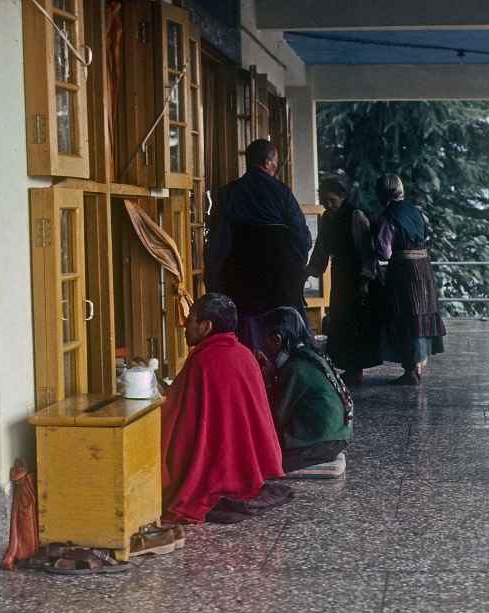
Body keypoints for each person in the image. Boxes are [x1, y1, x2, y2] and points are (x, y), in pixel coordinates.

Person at [160, 293, 285, 524]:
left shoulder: (204, 361)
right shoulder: (244, 354)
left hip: (216, 468)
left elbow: (175, 415)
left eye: (191, 319)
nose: (184, 325)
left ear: (206, 326)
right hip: (246, 464)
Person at [205, 139, 312, 350]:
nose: (277, 167)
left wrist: (215, 278)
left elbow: (218, 241)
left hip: (239, 276)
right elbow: (302, 237)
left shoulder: (228, 193)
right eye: (276, 162)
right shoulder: (282, 193)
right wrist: (295, 268)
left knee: (245, 331)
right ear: (267, 162)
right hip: (279, 278)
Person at [259, 307, 353, 479]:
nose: (263, 346)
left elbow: (276, 418)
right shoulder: (310, 356)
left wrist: (267, 380)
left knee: (261, 460)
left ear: (277, 339)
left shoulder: (295, 368)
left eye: (264, 340)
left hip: (323, 442)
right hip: (338, 435)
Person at [307, 177, 382, 386]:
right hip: (339, 274)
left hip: (356, 275)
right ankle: (347, 367)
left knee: (355, 322)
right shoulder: (327, 219)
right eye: (324, 201)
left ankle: (355, 369)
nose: (328, 205)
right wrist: (311, 270)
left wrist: (366, 280)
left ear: (343, 197)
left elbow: (367, 252)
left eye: (332, 200)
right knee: (340, 320)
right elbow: (321, 248)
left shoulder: (355, 217)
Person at [373, 174, 446, 385]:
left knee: (406, 316)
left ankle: (411, 371)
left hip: (404, 271)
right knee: (420, 314)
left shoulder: (388, 216)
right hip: (423, 268)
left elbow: (384, 252)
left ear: (381, 193)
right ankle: (417, 366)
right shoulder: (417, 211)